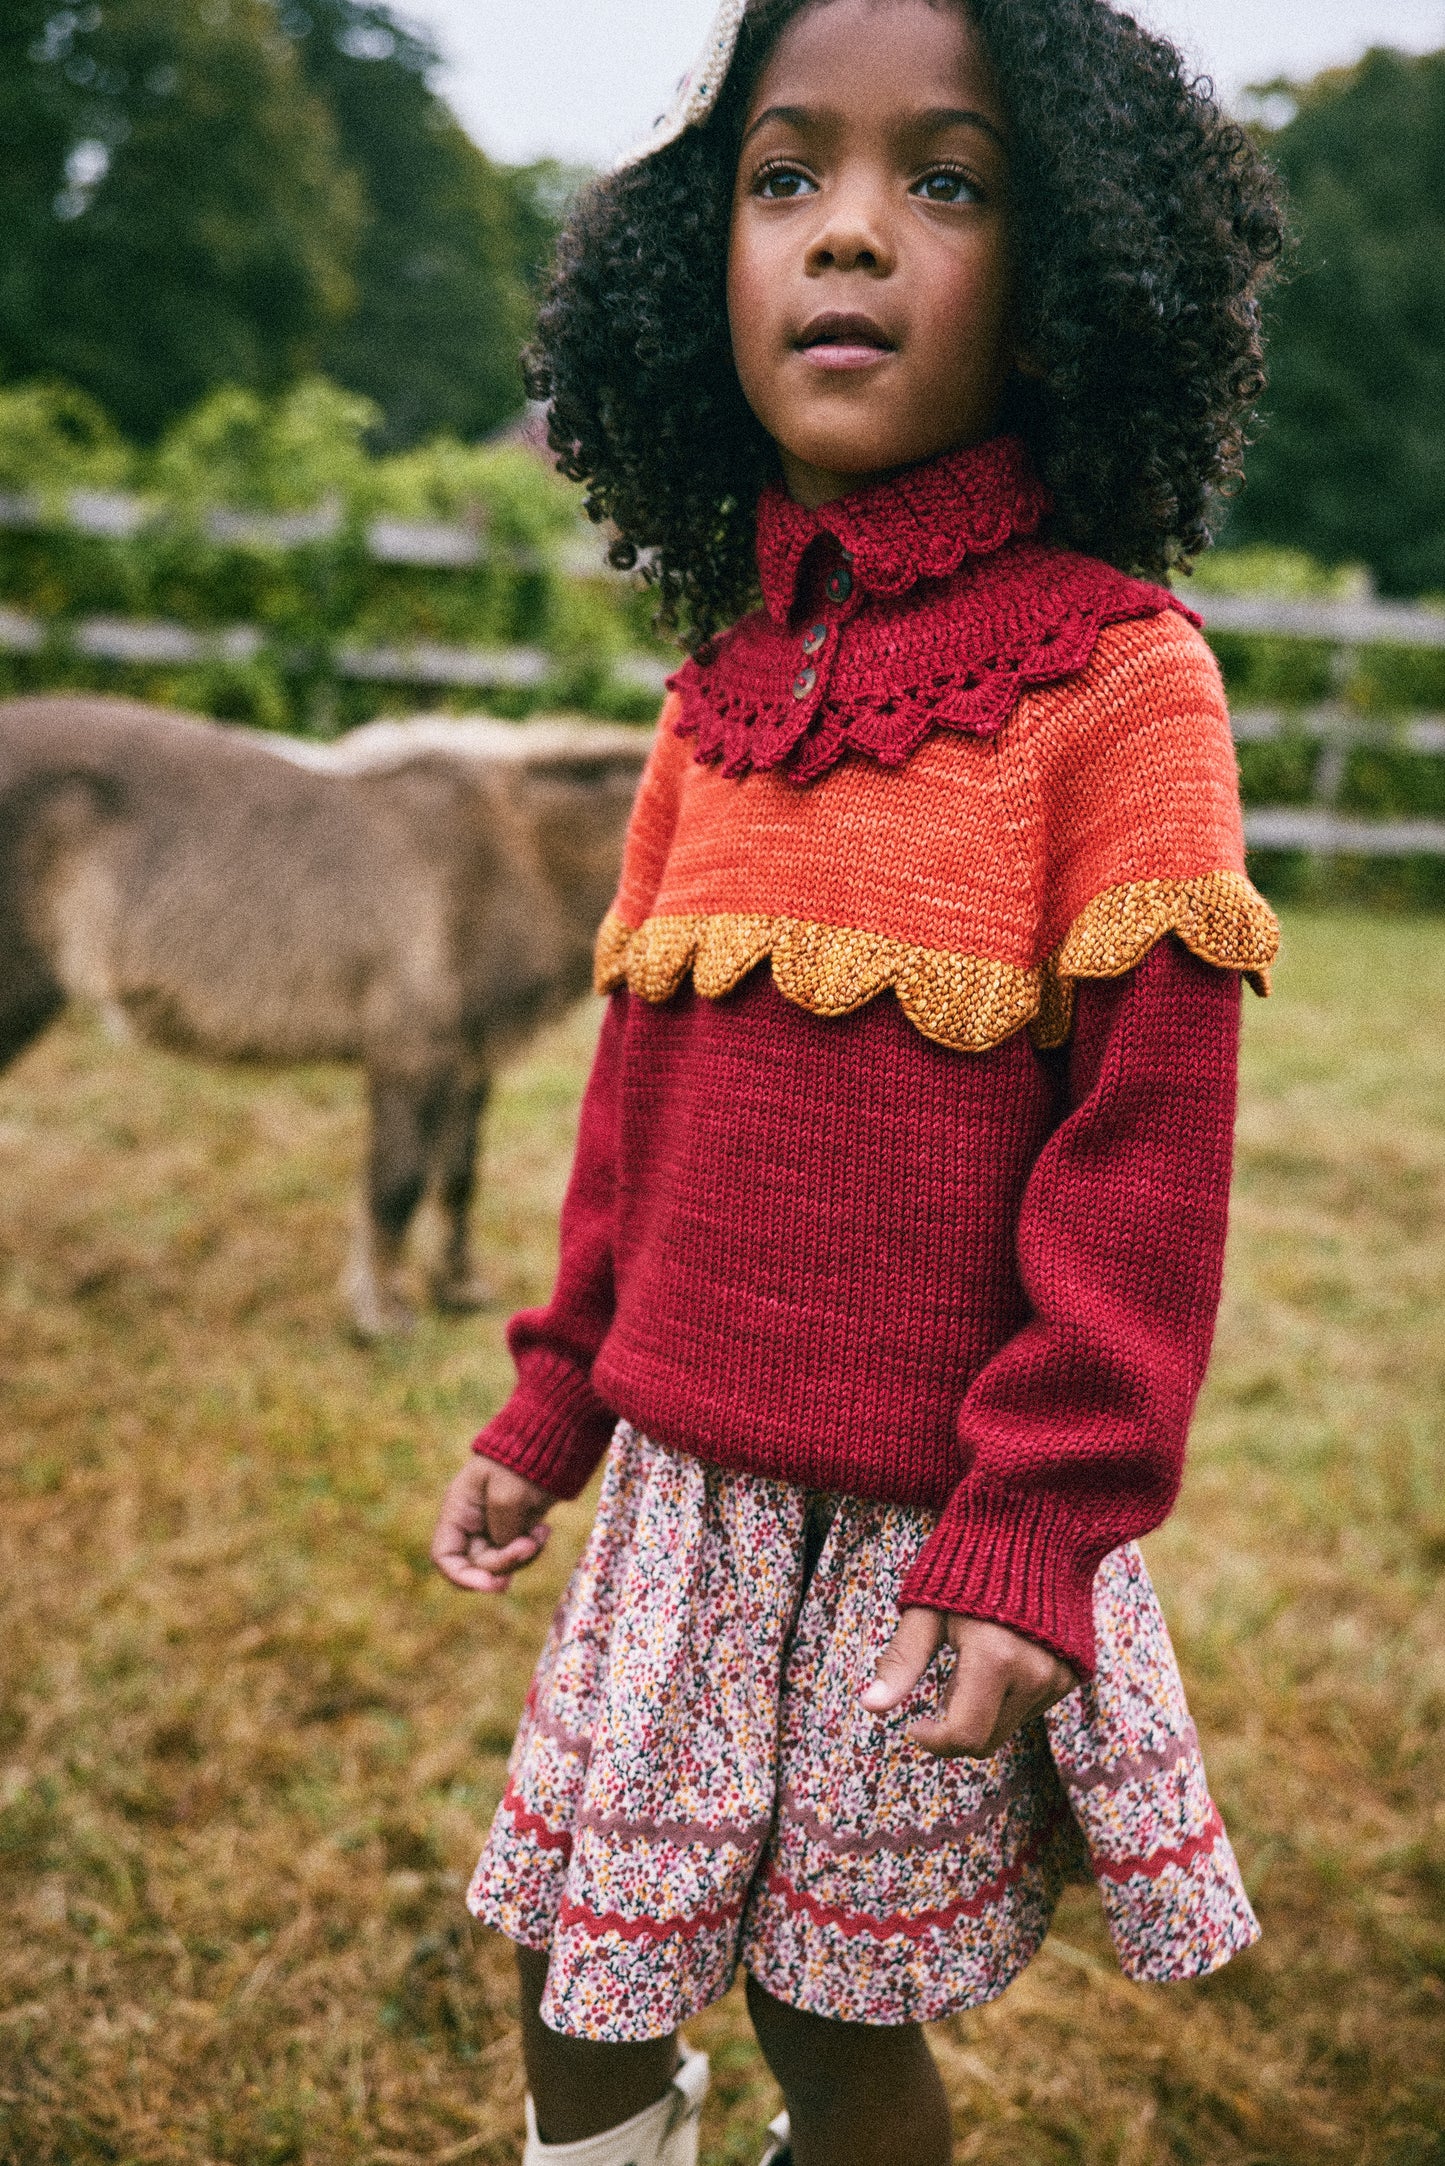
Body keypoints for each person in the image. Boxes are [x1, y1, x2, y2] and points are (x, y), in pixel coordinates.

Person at [430, 2, 1285, 2160]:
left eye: (949, 181)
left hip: (929, 1526)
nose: (848, 238)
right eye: (785, 175)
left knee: (835, 2014)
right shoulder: (715, 696)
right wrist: (553, 1398)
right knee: (576, 1968)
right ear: (686, 269)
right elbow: (636, 1106)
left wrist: (1040, 1534)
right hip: (680, 1516)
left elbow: (1145, 1168)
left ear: (1080, 265)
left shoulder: (1122, 685)